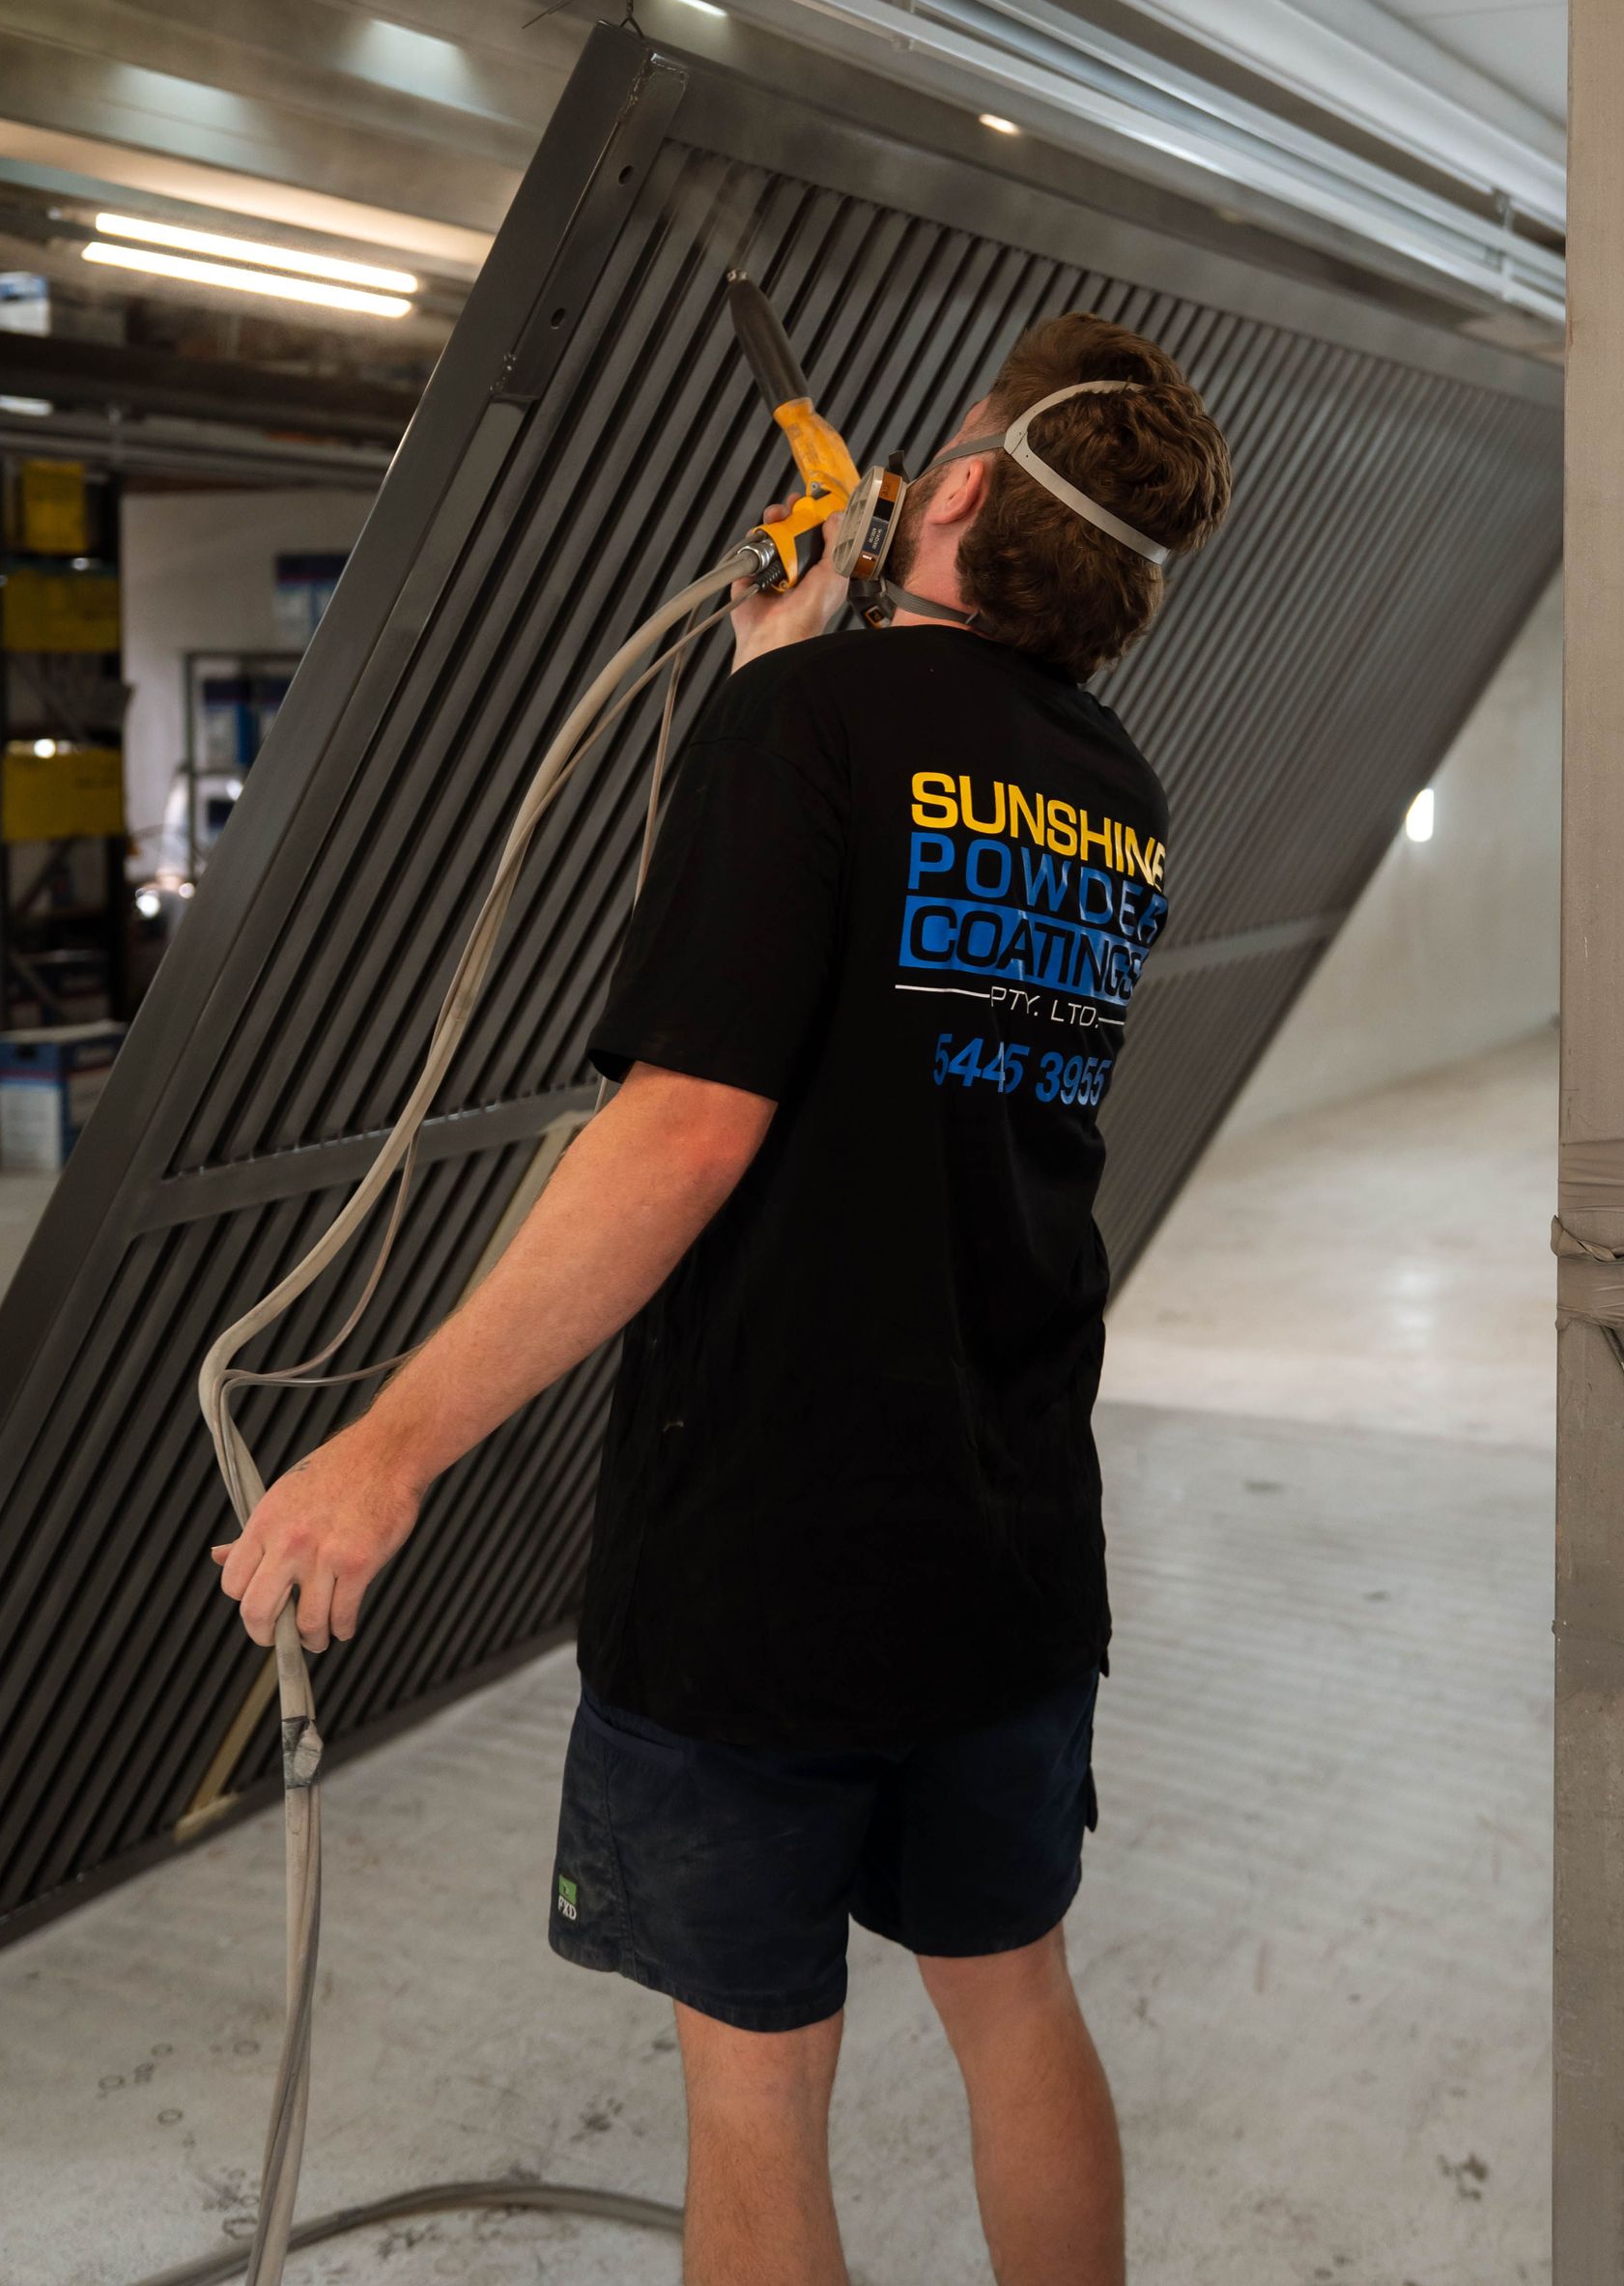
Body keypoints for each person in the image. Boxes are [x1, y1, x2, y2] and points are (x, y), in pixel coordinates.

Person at [214, 307, 1231, 2286]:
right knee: (1016, 1997)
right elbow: (906, 1015)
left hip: (772, 1548)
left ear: (955, 488)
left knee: (757, 2093)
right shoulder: (1111, 787)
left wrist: (389, 1449)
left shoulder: (809, 730)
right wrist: (785, 669)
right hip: (1009, 1535)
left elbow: (685, 1132)